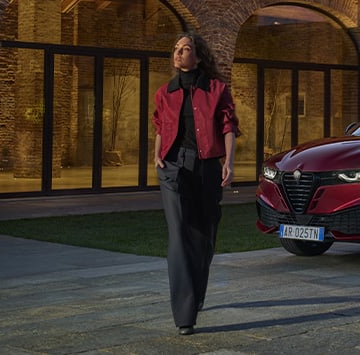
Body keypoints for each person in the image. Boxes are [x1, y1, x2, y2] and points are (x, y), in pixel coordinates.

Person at [152, 32, 240, 336]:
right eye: (176, 48)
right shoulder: (165, 92)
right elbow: (160, 125)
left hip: (206, 168)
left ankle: (196, 294)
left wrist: (229, 162)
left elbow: (228, 127)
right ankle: (184, 316)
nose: (178, 53)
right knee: (179, 234)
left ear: (199, 56)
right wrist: (156, 155)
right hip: (173, 168)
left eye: (185, 48)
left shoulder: (216, 90)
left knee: (204, 235)